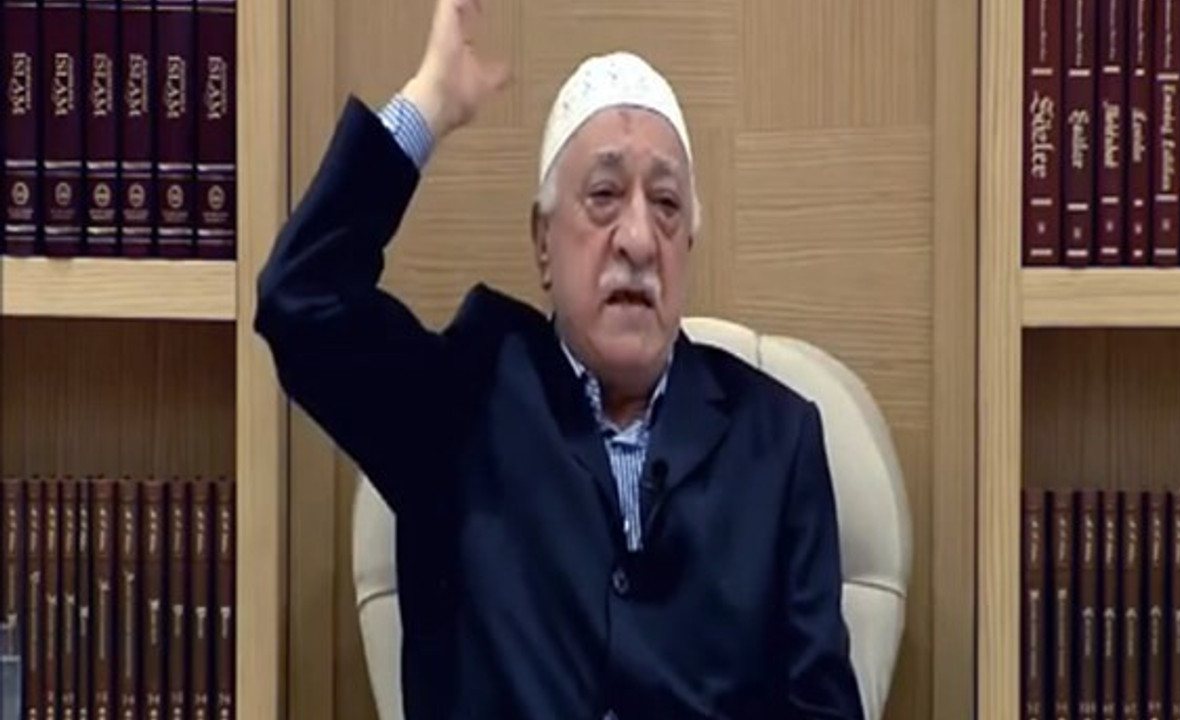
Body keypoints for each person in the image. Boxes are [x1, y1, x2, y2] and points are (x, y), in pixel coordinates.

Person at [253, 0, 864, 718]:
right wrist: (428, 107)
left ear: (688, 244)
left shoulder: (778, 439)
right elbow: (300, 298)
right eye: (604, 195)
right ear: (543, 243)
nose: (639, 239)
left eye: (667, 204)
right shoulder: (462, 400)